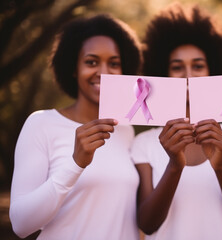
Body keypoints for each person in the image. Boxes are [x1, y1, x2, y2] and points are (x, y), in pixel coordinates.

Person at [9, 14, 142, 239]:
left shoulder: (126, 131)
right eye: (91, 62)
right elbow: (21, 225)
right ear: (73, 68)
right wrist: (75, 164)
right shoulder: (41, 124)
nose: (104, 72)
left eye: (114, 63)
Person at [130, 3, 222, 240]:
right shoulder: (143, 143)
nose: (188, 74)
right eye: (177, 67)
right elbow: (146, 224)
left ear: (213, 70)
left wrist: (220, 166)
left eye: (198, 66)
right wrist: (175, 165)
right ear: (163, 74)